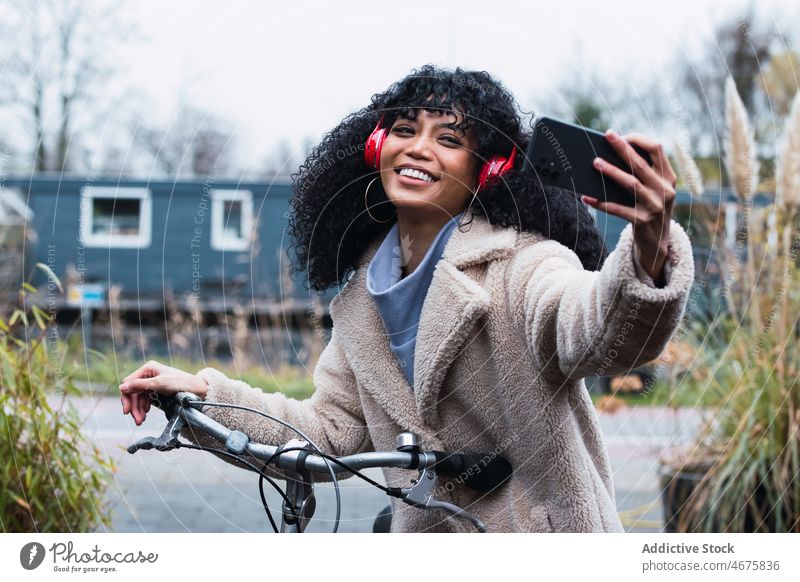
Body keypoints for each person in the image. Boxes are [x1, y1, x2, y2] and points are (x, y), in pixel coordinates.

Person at [119, 64, 694, 532]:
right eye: (403, 130)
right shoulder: (362, 298)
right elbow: (329, 432)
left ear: (486, 169)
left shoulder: (525, 265)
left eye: (448, 139)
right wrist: (203, 394)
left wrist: (647, 250)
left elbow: (596, 332)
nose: (418, 148)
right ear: (375, 147)